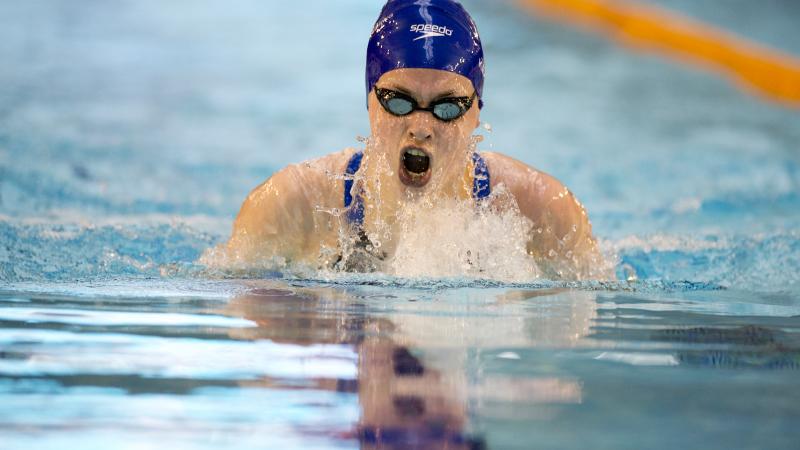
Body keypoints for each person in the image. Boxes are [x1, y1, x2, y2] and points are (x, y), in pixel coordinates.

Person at [219, 0, 605, 279]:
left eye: (447, 107)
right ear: (370, 102)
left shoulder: (544, 212)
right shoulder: (290, 206)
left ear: (476, 112)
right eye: (400, 101)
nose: (421, 126)